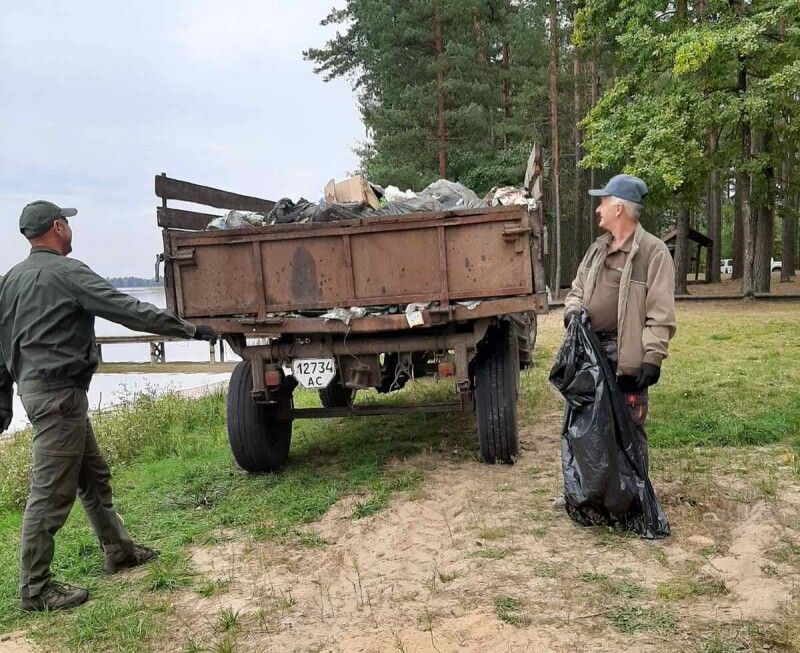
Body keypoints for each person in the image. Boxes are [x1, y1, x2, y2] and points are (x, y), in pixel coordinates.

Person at [0, 200, 217, 612]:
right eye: (68, 224)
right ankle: (35, 589)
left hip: (45, 394)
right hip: (60, 397)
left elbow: (0, 346)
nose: (71, 231)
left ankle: (118, 550)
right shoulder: (67, 273)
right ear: (58, 227)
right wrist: (189, 329)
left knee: (93, 477)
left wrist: (3, 403)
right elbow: (126, 309)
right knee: (48, 495)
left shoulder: (9, 281)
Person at [563, 175, 676, 472]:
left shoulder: (653, 252)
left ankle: (635, 498)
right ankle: (590, 492)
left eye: (602, 202)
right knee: (587, 424)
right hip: (590, 353)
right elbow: (576, 289)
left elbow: (661, 311)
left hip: (625, 356)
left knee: (628, 426)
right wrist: (573, 312)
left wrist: (652, 357)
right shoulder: (598, 248)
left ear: (619, 208)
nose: (598, 210)